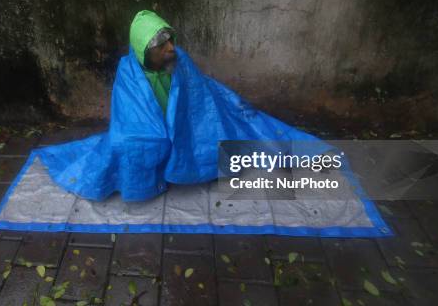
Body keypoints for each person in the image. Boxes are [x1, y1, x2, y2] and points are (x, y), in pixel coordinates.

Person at [37, 10, 331, 201]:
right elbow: (128, 116)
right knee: (132, 143)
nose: (170, 48)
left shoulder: (179, 60)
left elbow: (199, 97)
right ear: (142, 50)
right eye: (161, 45)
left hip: (191, 118)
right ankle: (148, 183)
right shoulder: (128, 71)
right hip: (152, 126)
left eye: (170, 40)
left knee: (243, 131)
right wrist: (156, 132)